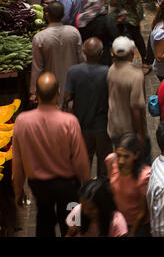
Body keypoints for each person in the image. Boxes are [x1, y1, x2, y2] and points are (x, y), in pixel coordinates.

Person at [12, 72, 90, 237]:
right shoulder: (69, 121)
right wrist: (86, 186)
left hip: (40, 187)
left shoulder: (22, 121)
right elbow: (80, 159)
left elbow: (17, 162)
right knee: (72, 225)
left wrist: (18, 190)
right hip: (68, 186)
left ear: (37, 94)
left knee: (44, 220)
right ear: (58, 92)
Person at [63, 37, 112, 179]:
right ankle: (102, 194)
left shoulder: (74, 72)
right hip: (102, 126)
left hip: (82, 125)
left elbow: (67, 97)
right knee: (104, 165)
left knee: (84, 163)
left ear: (84, 52)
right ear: (101, 53)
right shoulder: (107, 72)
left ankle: (85, 193)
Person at [30, 1, 85, 107]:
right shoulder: (73, 32)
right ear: (63, 15)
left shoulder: (40, 37)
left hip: (50, 89)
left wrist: (33, 91)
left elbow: (37, 67)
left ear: (47, 15)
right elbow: (81, 59)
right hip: (72, 87)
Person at [107, 36, 150, 164]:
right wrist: (140, 135)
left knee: (121, 162)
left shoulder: (111, 70)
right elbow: (136, 108)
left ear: (113, 53)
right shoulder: (136, 75)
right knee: (138, 165)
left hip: (114, 127)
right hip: (130, 131)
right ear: (132, 53)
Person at [105, 133, 151, 237]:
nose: (121, 161)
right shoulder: (112, 162)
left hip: (137, 227)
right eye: (119, 155)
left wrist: (131, 233)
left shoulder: (144, 176)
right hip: (119, 222)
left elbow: (142, 212)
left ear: (136, 155)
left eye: (126, 156)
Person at [76, 0, 119, 66]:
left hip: (87, 55)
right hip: (103, 56)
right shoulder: (106, 20)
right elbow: (116, 37)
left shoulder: (81, 19)